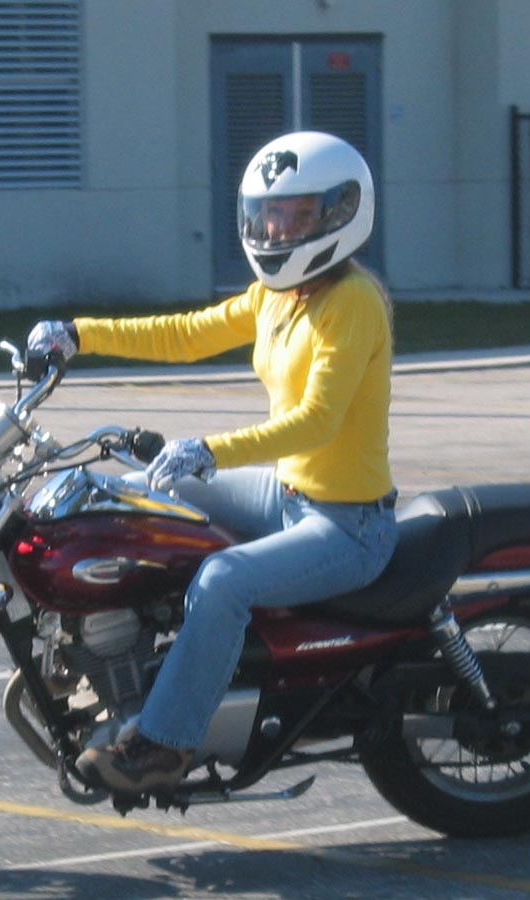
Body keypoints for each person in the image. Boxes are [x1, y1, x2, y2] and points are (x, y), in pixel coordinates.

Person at [27, 131, 398, 795]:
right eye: (269, 214)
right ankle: (92, 651)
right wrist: (80, 334)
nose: (277, 229)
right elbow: (185, 333)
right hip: (288, 496)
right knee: (131, 498)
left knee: (223, 580)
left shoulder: (352, 303)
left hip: (348, 524)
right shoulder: (278, 297)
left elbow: (318, 421)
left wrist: (208, 451)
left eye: (296, 214)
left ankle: (165, 745)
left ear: (341, 214)